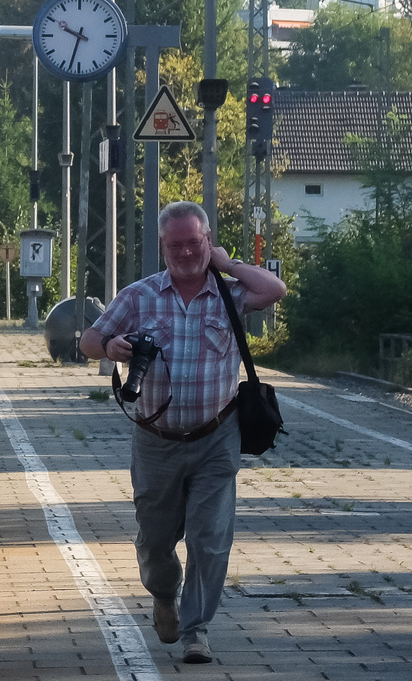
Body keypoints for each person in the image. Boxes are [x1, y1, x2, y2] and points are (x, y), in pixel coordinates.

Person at [78, 200, 286, 665]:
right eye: (177, 244)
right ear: (163, 247)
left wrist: (227, 264)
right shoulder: (139, 295)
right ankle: (164, 592)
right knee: (154, 539)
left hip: (217, 436)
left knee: (209, 538)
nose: (187, 252)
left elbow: (275, 288)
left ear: (207, 241)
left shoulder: (229, 294)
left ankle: (197, 630)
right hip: (156, 441)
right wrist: (111, 346)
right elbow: (88, 340)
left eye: (195, 242)